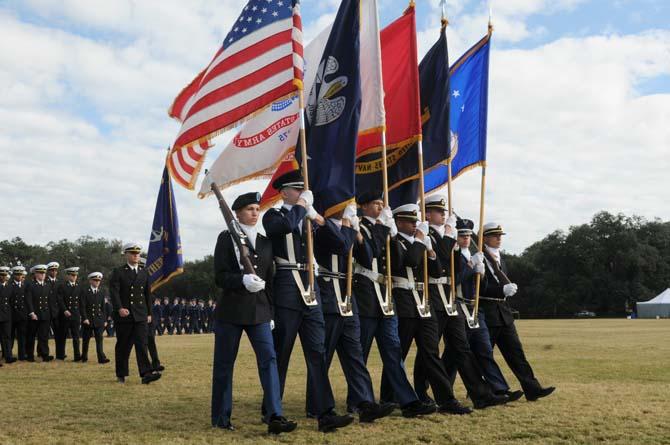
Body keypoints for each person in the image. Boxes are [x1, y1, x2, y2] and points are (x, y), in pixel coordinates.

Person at [263, 170, 354, 432]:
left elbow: (341, 246)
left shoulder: (309, 219)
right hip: (287, 289)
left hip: (311, 290)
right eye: (297, 190)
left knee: (317, 353)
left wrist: (321, 220)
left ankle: (325, 413)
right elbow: (284, 228)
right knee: (282, 353)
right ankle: (272, 412)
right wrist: (302, 207)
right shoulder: (275, 215)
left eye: (304, 190)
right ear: (284, 193)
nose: (302, 194)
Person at [212, 191, 297, 434]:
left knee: (269, 360)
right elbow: (220, 277)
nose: (255, 213)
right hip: (231, 311)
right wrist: (242, 280)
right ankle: (221, 417)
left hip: (260, 312)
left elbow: (269, 281)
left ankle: (274, 415)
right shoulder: (227, 238)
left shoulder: (264, 241)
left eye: (257, 209)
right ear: (237, 213)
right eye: (250, 209)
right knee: (225, 365)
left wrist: (270, 313)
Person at [413, 196, 508, 409]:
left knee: (461, 348)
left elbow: (453, 266)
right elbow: (438, 264)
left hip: (449, 298)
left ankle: (481, 395)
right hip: (432, 296)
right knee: (429, 351)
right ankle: (421, 392)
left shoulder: (448, 236)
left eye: (443, 211)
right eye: (438, 211)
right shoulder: (425, 234)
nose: (443, 214)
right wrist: (449, 236)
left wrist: (472, 265)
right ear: (427, 214)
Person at [305, 203, 395, 422]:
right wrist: (348, 226)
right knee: (323, 355)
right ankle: (316, 405)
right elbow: (341, 244)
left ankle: (364, 403)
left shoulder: (348, 227)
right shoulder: (318, 227)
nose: (346, 207)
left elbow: (368, 257)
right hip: (328, 295)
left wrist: (362, 235)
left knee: (355, 355)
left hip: (347, 296)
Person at [379, 203, 471, 415]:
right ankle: (390, 397)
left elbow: (437, 270)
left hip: (423, 301)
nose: (414, 225)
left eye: (415, 221)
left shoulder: (419, 243)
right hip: (403, 300)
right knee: (398, 352)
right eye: (410, 222)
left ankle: (446, 399)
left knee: (431, 352)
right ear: (399, 222)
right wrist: (421, 240)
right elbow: (409, 261)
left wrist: (430, 251)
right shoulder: (394, 241)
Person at [351, 191, 435, 418]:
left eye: (381, 203)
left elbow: (399, 262)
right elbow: (368, 254)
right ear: (364, 207)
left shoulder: (388, 230)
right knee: (362, 352)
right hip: (367, 293)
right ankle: (360, 400)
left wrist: (395, 234)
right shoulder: (360, 227)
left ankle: (407, 401)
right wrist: (385, 228)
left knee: (393, 350)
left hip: (386, 296)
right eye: (376, 203)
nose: (380, 207)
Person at [479, 222, 555, 401]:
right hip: (487, 311)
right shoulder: (479, 258)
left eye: (500, 235)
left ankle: (532, 388)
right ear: (484, 238)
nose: (499, 238)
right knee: (484, 356)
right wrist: (500, 291)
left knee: (516, 354)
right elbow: (478, 288)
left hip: (504, 314)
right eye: (494, 235)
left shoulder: (501, 259)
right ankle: (491, 391)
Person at [451, 218, 521, 400]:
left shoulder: (474, 256)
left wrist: (479, 273)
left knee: (483, 350)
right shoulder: (453, 256)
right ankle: (444, 392)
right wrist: (471, 267)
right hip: (457, 307)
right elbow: (454, 282)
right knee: (453, 355)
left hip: (475, 308)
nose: (466, 238)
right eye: (461, 235)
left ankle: (499, 389)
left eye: (467, 235)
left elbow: (478, 286)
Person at [109, 242, 161, 384]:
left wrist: (149, 313)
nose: (136, 255)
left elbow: (147, 295)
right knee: (123, 346)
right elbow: (114, 293)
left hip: (140, 315)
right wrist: (119, 308)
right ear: (126, 254)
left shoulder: (144, 273)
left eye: (137, 253)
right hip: (124, 315)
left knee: (142, 344)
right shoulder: (118, 272)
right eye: (132, 253)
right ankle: (121, 373)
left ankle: (146, 374)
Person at [25, 264, 54, 362]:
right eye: (41, 273)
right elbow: (28, 300)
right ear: (36, 274)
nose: (43, 275)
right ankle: (30, 355)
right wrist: (32, 313)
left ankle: (45, 354)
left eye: (44, 273)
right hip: (35, 315)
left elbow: (50, 301)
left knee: (44, 336)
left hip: (45, 314)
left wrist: (51, 313)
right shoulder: (31, 285)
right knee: (31, 336)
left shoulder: (47, 285)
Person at [80, 272, 110, 364]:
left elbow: (103, 308)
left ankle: (101, 358)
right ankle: (84, 357)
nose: (97, 282)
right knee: (86, 340)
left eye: (98, 281)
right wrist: (84, 318)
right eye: (95, 280)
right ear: (90, 281)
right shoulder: (85, 291)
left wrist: (105, 320)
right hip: (88, 320)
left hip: (99, 320)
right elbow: (82, 306)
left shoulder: (101, 292)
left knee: (99, 340)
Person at [56, 267, 83, 361]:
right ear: (67, 276)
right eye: (72, 275)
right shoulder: (62, 286)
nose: (74, 277)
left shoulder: (79, 287)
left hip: (75, 315)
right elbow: (60, 300)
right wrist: (64, 310)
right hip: (65, 315)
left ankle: (77, 356)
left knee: (76, 337)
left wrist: (81, 314)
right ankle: (60, 355)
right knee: (62, 336)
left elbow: (81, 301)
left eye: (75, 275)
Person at [10, 266, 29, 361]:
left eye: (21, 274)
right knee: (11, 336)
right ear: (14, 275)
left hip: (22, 315)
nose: (19, 276)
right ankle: (8, 354)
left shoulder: (25, 286)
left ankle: (22, 355)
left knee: (22, 336)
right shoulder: (10, 285)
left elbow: (27, 300)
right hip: (12, 315)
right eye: (17, 274)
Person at [0, 266, 17, 364]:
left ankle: (8, 357)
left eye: (4, 275)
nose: (3, 277)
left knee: (7, 336)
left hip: (6, 315)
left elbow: (11, 301)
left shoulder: (10, 287)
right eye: (1, 275)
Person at [45, 262, 61, 355]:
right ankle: (43, 352)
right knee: (44, 334)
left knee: (58, 334)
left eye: (55, 270)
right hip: (46, 310)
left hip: (56, 312)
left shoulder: (59, 283)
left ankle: (59, 353)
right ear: (48, 271)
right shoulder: (45, 281)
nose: (54, 272)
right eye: (52, 270)